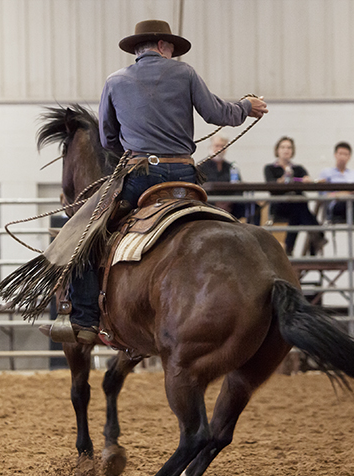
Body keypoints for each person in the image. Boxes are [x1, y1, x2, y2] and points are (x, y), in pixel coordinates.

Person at [66, 19, 267, 343]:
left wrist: (131, 152)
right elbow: (217, 113)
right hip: (186, 178)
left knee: (85, 233)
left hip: (141, 177)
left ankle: (85, 317)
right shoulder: (184, 73)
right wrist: (247, 106)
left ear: (139, 48)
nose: (173, 53)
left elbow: (107, 136)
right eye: (171, 47)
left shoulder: (115, 81)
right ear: (162, 45)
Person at [264, 136, 326, 256]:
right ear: (277, 150)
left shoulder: (298, 168)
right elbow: (270, 185)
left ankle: (289, 248)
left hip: (296, 205)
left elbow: (306, 181)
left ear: (292, 151)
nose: (286, 150)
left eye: (289, 147)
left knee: (297, 211)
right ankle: (318, 236)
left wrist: (307, 181)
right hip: (280, 205)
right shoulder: (270, 168)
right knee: (299, 207)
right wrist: (281, 181)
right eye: (283, 147)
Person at [199, 135, 250, 221]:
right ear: (210, 147)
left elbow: (238, 187)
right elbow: (200, 189)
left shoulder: (232, 167)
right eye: (217, 146)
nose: (220, 149)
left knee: (253, 206)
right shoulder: (201, 167)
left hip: (230, 204)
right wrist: (215, 202)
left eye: (223, 146)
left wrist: (229, 201)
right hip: (209, 203)